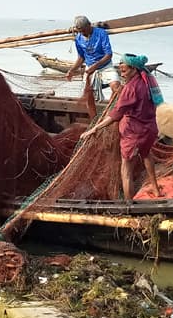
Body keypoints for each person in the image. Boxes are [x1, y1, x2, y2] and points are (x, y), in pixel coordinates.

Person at [81, 53, 164, 201]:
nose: (121, 71)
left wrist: (95, 128)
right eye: (120, 68)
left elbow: (116, 115)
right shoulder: (147, 80)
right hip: (150, 130)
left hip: (134, 133)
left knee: (126, 169)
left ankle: (129, 204)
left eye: (124, 69)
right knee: (146, 154)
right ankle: (156, 190)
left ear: (133, 68)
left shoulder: (130, 88)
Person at [65, 15, 121, 120]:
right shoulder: (78, 38)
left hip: (105, 66)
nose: (83, 33)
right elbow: (81, 57)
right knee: (88, 94)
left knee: (116, 87)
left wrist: (95, 66)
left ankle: (108, 115)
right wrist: (71, 70)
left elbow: (108, 54)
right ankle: (94, 121)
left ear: (89, 25)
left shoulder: (101, 33)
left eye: (84, 30)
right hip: (90, 67)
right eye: (80, 31)